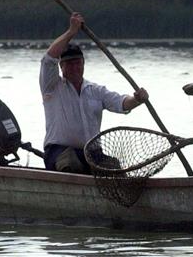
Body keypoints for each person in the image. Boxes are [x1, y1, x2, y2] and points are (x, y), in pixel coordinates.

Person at [40, 12, 148, 173]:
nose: (74, 68)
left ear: (83, 64)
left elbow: (121, 103)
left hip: (91, 153)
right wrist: (71, 32)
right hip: (59, 152)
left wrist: (138, 99)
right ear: (61, 67)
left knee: (114, 169)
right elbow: (48, 58)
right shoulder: (52, 86)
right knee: (70, 163)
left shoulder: (95, 90)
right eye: (69, 64)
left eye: (78, 63)